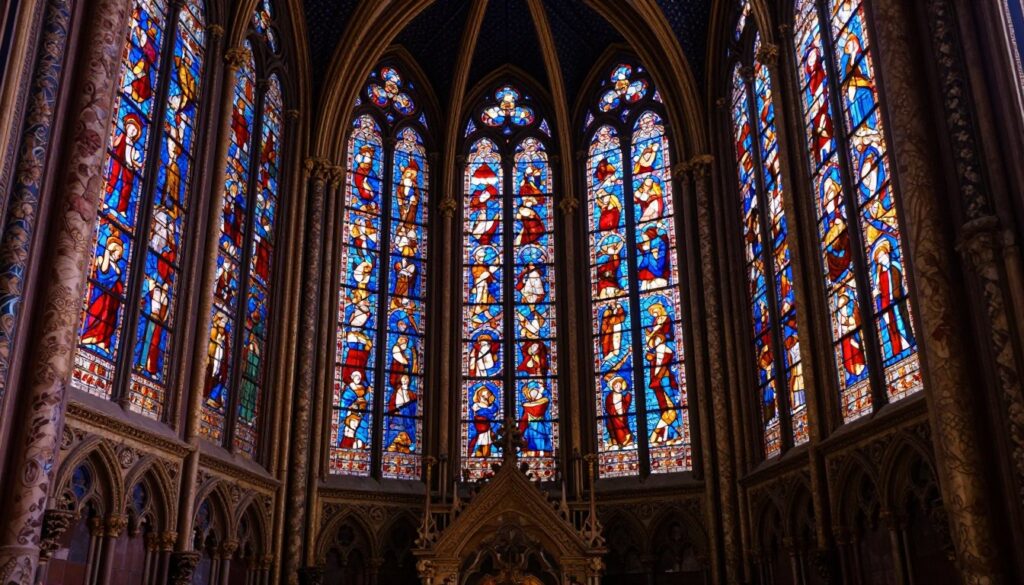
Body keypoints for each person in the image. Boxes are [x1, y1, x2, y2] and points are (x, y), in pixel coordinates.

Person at [80, 238, 126, 353]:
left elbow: (118, 275)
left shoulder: (116, 267)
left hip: (112, 298)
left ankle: (103, 340)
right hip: (101, 294)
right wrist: (106, 252)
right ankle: (91, 336)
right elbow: (104, 270)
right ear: (111, 251)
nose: (118, 257)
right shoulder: (101, 258)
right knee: (99, 314)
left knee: (110, 319)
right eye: (117, 254)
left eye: (120, 255)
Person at [518, 383, 551, 454]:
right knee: (533, 444)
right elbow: (524, 420)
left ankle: (542, 455)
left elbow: (538, 410)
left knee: (541, 443)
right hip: (531, 428)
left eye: (535, 391)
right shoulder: (527, 406)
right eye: (532, 392)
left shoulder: (542, 402)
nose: (534, 394)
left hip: (540, 427)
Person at [468, 386, 498, 456]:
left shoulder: (492, 407)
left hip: (488, 430)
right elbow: (481, 413)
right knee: (480, 444)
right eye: (482, 396)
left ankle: (485, 458)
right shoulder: (476, 406)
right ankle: (478, 456)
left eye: (486, 396)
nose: (484, 398)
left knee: (487, 445)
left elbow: (494, 412)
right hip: (480, 429)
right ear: (478, 396)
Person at [604, 376, 633, 448]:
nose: (618, 387)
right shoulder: (609, 396)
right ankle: (623, 439)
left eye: (620, 386)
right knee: (617, 427)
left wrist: (628, 395)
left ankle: (625, 440)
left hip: (622, 413)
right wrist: (613, 412)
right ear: (613, 386)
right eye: (616, 385)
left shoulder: (622, 395)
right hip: (614, 415)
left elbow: (626, 403)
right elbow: (608, 406)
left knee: (622, 425)